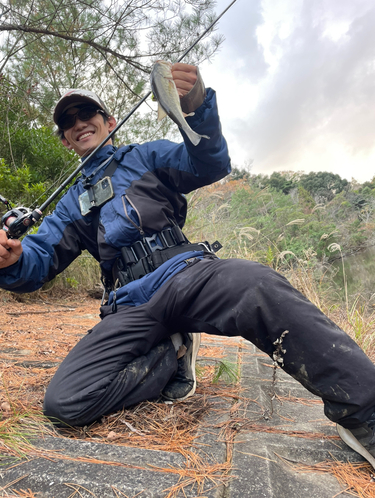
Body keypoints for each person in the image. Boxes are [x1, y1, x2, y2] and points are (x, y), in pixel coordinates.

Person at [0, 63, 374, 467]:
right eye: (67, 121)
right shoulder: (70, 203)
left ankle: (364, 414)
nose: (78, 123)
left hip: (186, 273)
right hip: (128, 305)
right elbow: (38, 262)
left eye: (86, 113)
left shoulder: (147, 156)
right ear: (65, 141)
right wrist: (11, 260)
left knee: (257, 284)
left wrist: (196, 106)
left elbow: (208, 162)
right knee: (65, 403)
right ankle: (170, 355)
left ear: (109, 122)